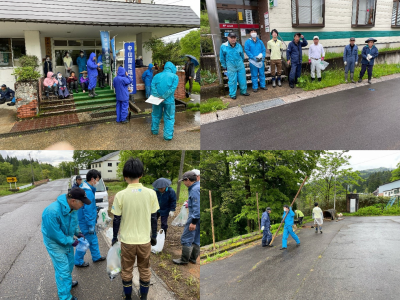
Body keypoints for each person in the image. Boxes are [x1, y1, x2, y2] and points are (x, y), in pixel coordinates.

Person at [111, 158, 159, 300]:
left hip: (127, 241)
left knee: (126, 270)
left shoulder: (120, 195)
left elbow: (117, 219)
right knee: (144, 269)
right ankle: (143, 297)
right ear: (141, 175)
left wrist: (114, 237)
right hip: (145, 240)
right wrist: (154, 235)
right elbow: (154, 217)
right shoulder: (151, 193)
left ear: (125, 177)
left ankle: (128, 297)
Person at [41, 188, 90, 300]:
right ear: (73, 201)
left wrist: (78, 234)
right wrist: (73, 241)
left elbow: (73, 223)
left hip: (66, 239)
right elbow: (55, 235)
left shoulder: (72, 209)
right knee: (62, 269)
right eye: (82, 202)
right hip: (54, 243)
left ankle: (67, 282)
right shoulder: (52, 212)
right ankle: (65, 297)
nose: (83, 205)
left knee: (69, 263)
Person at [74, 169, 106, 267]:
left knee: (93, 239)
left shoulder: (84, 189)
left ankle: (96, 256)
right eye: (97, 180)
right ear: (92, 179)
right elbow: (87, 211)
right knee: (84, 242)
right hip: (86, 222)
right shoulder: (88, 192)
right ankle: (78, 261)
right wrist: (91, 224)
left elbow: (87, 206)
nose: (97, 182)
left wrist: (95, 208)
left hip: (84, 220)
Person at [173, 171, 200, 265]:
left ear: (187, 180)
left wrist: (193, 222)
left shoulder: (194, 189)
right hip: (199, 218)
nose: (184, 183)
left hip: (194, 217)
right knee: (196, 238)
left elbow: (197, 207)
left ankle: (184, 260)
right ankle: (193, 258)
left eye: (184, 181)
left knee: (186, 238)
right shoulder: (197, 187)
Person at [150, 61, 179, 141]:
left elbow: (152, 86)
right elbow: (172, 89)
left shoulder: (156, 76)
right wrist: (164, 96)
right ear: (172, 68)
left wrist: (157, 96)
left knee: (155, 115)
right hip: (169, 100)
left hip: (157, 99)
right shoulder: (175, 77)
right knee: (169, 118)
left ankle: (154, 131)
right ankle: (167, 136)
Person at [220, 32, 249, 99]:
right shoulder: (224, 46)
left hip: (240, 65)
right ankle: (232, 94)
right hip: (230, 66)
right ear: (228, 38)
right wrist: (225, 66)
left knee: (242, 79)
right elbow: (222, 58)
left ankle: (243, 91)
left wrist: (241, 62)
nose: (233, 39)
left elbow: (242, 55)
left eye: (234, 38)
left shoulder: (239, 46)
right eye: (231, 38)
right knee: (232, 81)